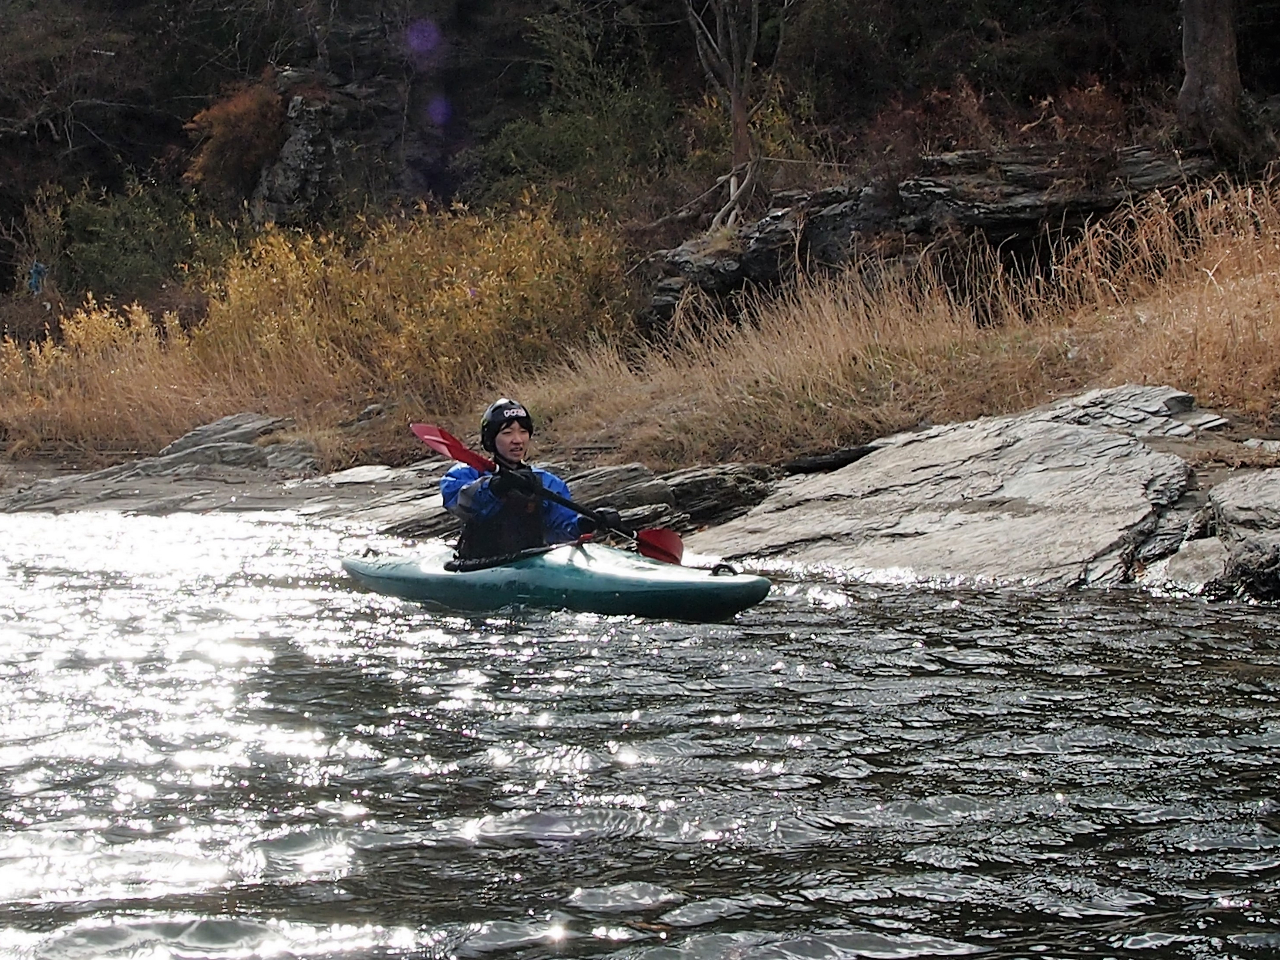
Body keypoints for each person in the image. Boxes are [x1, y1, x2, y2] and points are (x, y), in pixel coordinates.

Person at [440, 398, 623, 560]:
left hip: (530, 563)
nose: (517, 440)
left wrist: (585, 523)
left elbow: (561, 528)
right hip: (478, 564)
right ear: (490, 440)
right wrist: (494, 487)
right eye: (507, 433)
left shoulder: (546, 481)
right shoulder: (467, 474)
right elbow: (458, 502)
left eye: (523, 432)